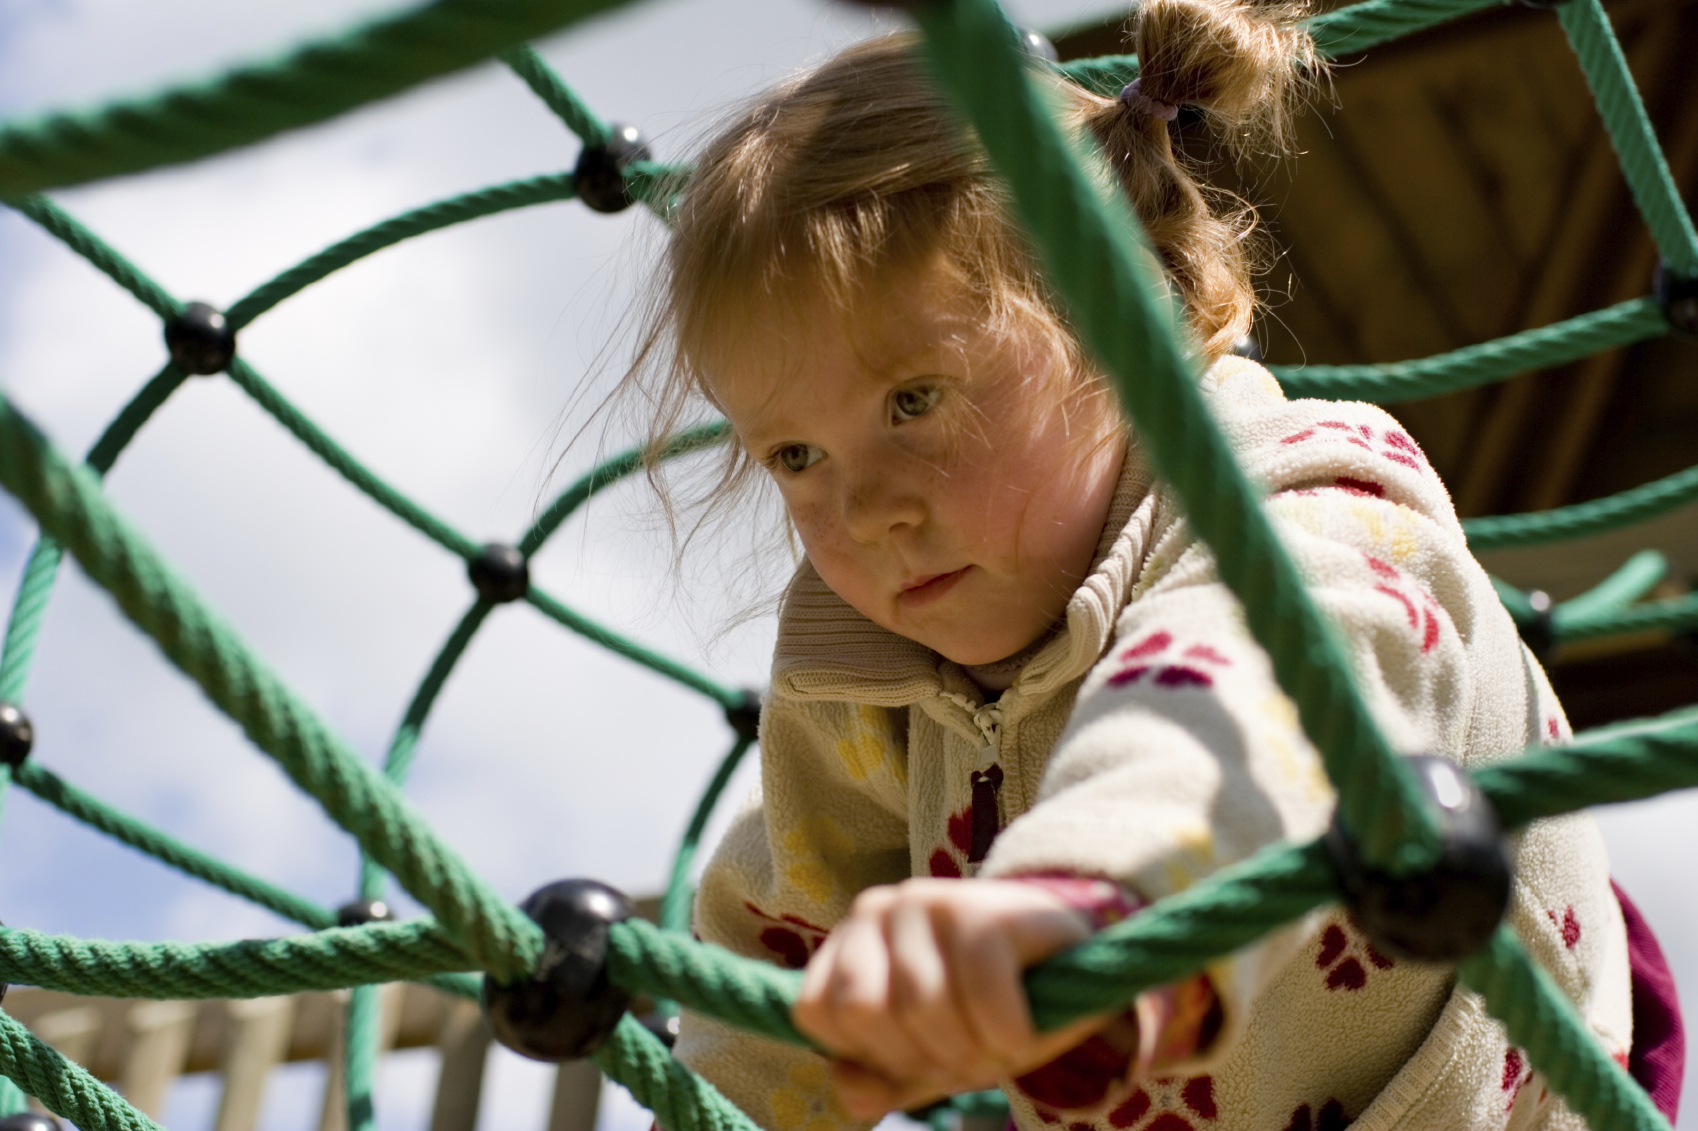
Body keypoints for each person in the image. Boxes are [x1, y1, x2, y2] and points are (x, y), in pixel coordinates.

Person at [615, 0, 1683, 1127]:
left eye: (914, 400)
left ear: (1121, 321)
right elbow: (785, 923)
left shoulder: (1304, 497)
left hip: (1494, 1081)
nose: (865, 507)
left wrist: (1091, 893)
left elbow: (1248, 691)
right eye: (795, 456)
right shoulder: (866, 675)